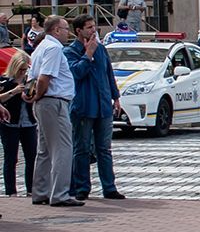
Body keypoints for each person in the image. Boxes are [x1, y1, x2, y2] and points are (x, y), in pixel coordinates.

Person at [65, 15, 123, 201]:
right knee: (81, 148)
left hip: (103, 105)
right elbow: (76, 73)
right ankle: (81, 187)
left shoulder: (101, 49)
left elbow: (108, 73)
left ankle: (109, 187)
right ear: (78, 30)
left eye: (94, 26)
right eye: (89, 27)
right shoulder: (70, 51)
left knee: (104, 149)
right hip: (84, 105)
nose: (93, 30)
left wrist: (115, 97)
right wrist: (87, 54)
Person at [25, 16, 77, 206]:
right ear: (56, 30)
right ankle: (60, 194)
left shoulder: (40, 47)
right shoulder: (54, 48)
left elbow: (32, 78)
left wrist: (33, 95)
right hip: (54, 101)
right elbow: (44, 77)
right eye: (65, 29)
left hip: (44, 103)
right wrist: (39, 94)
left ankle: (41, 192)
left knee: (44, 150)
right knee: (62, 148)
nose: (68, 33)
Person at [1, 50, 38, 196]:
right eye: (20, 69)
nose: (23, 72)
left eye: (25, 69)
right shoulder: (5, 81)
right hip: (10, 123)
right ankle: (11, 191)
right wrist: (14, 91)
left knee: (32, 156)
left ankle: (31, 189)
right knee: (11, 158)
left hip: (29, 122)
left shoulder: (30, 80)